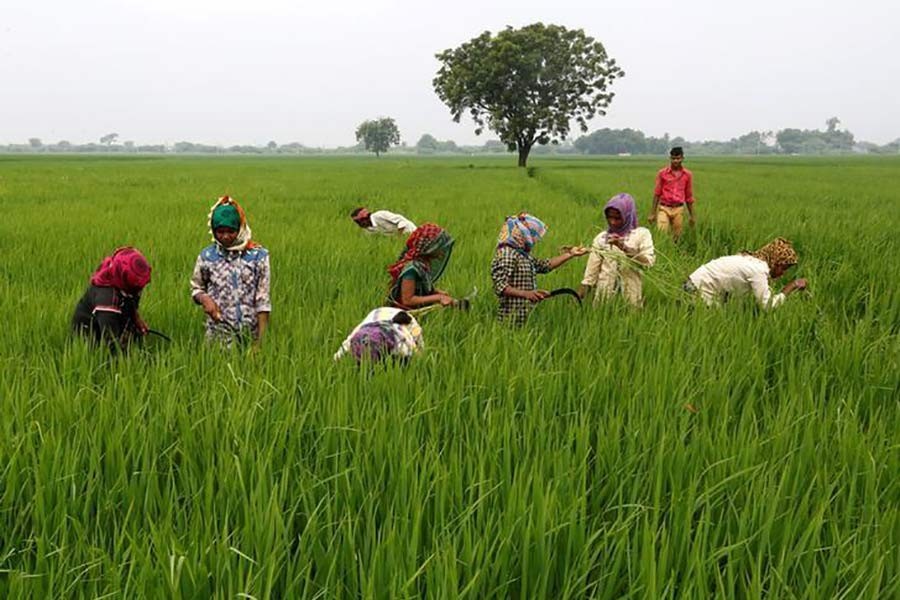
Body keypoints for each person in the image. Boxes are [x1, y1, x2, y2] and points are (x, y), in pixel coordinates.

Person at [190, 196, 271, 345]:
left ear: (240, 228)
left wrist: (259, 344)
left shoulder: (258, 256)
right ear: (213, 231)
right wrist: (204, 299)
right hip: (217, 336)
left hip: (249, 335)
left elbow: (263, 299)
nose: (225, 237)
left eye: (231, 231)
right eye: (220, 232)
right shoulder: (207, 257)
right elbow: (196, 288)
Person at [490, 213, 588, 326]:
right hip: (510, 318)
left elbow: (545, 265)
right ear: (521, 234)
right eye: (532, 236)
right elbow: (500, 286)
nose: (534, 241)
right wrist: (527, 294)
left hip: (525, 316)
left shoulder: (522, 255)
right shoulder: (507, 254)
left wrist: (571, 254)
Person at [684, 237, 807, 309]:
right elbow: (767, 306)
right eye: (783, 268)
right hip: (699, 291)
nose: (783, 273)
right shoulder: (758, 270)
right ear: (774, 261)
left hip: (692, 284)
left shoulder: (751, 260)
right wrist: (791, 287)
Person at [579, 193, 656, 307]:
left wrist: (624, 247)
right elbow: (591, 274)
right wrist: (577, 297)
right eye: (609, 217)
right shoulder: (602, 238)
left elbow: (648, 263)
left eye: (617, 218)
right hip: (603, 300)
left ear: (628, 215)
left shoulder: (641, 235)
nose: (613, 222)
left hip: (631, 299)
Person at [72, 246, 152, 351]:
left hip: (113, 316)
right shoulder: (106, 299)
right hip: (91, 331)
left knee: (133, 335)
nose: (140, 290)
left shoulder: (127, 282)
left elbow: (131, 301)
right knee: (109, 352)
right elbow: (111, 340)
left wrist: (136, 319)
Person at [387, 223, 459, 309]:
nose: (443, 251)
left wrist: (436, 292)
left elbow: (421, 286)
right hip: (403, 312)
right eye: (440, 247)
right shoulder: (411, 269)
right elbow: (407, 300)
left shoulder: (424, 264)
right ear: (429, 247)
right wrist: (438, 298)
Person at [333, 306, 423, 364]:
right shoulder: (355, 337)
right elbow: (338, 355)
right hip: (378, 314)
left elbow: (418, 355)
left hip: (404, 319)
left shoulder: (402, 342)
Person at [649, 147, 696, 240]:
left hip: (678, 208)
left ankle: (674, 251)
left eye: (678, 158)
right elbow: (657, 193)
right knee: (661, 233)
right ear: (670, 158)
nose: (675, 161)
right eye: (673, 158)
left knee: (677, 236)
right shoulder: (662, 173)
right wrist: (652, 213)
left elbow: (689, 197)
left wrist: (692, 216)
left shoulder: (687, 175)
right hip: (664, 208)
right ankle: (662, 250)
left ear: (682, 158)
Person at [351, 207, 417, 236]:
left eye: (360, 221)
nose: (360, 224)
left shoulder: (380, 215)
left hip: (411, 233)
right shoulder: (369, 229)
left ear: (365, 218)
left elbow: (401, 221)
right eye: (357, 222)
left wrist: (399, 238)